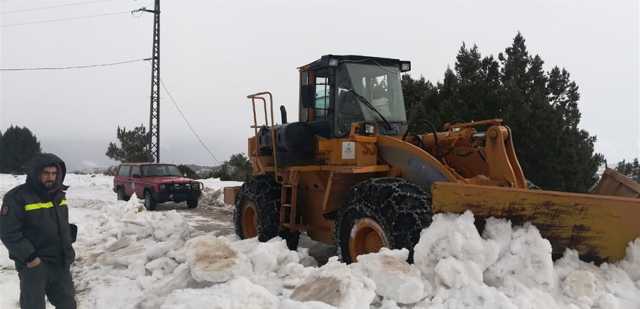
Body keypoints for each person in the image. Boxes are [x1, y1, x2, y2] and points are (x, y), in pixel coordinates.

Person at [0, 153, 77, 309]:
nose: (51, 177)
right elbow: (8, 232)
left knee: (68, 304)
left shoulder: (58, 195)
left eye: (54, 173)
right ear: (36, 173)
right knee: (33, 306)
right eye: (46, 173)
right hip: (34, 265)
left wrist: (68, 237)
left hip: (59, 263)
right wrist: (31, 257)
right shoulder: (17, 197)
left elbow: (59, 222)